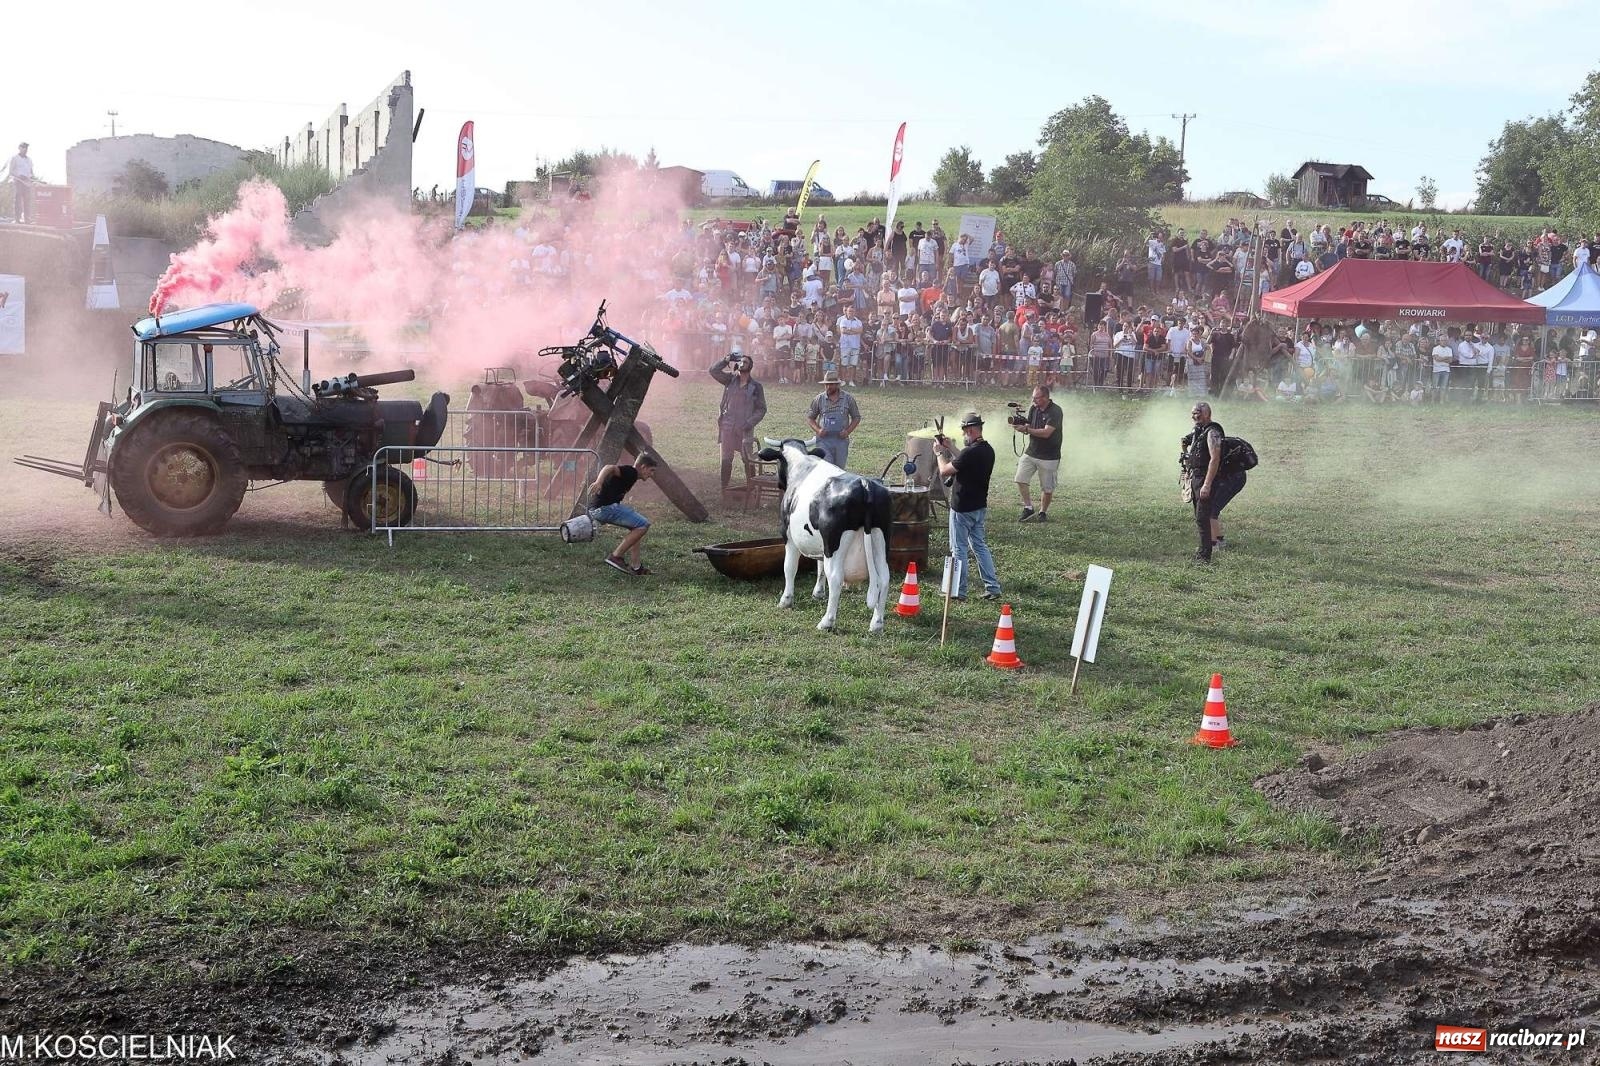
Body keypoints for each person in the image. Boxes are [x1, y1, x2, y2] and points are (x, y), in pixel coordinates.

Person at [934, 413, 1001, 601]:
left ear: (969, 430)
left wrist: (939, 453)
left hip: (962, 508)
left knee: (958, 549)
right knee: (980, 546)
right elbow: (964, 458)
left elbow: (944, 470)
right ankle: (992, 587)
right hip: (979, 507)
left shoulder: (969, 453)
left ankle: (958, 591)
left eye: (964, 432)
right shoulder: (987, 450)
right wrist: (950, 447)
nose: (963, 436)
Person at [1182, 403, 1245, 564]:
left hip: (1208, 479)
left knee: (1205, 516)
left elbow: (1215, 458)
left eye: (1197, 413)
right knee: (1200, 517)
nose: (1194, 416)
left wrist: (1207, 484)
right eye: (1193, 413)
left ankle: (1206, 554)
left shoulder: (1212, 432)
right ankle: (1205, 549)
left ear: (1207, 414)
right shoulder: (1199, 432)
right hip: (1198, 478)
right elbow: (1186, 442)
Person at [588, 453, 659, 576]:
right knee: (643, 524)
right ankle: (616, 557)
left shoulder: (632, 476)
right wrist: (599, 482)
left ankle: (636, 567)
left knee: (637, 528)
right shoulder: (631, 472)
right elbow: (609, 467)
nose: (652, 474)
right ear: (643, 467)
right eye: (651, 470)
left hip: (601, 509)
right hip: (604, 508)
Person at [709, 353, 767, 492]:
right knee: (726, 459)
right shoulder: (730, 379)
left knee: (748, 459)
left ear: (750, 366)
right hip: (727, 426)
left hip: (744, 428)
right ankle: (725, 488)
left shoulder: (756, 386)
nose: (742, 363)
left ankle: (752, 488)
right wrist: (726, 360)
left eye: (745, 362)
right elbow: (713, 371)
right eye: (740, 361)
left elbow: (761, 409)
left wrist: (749, 423)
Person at [1014, 383, 1063, 522]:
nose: (1033, 401)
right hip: (1032, 451)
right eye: (1033, 398)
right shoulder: (1033, 409)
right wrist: (1021, 425)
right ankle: (1028, 507)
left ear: (1046, 397)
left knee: (1047, 488)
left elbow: (1047, 433)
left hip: (1049, 456)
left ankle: (1043, 512)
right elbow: (1029, 425)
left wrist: (1026, 430)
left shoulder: (1055, 411)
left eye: (1036, 398)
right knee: (1020, 478)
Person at [807, 369, 861, 468]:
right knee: (827, 469)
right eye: (826, 384)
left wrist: (847, 432)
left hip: (841, 441)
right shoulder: (819, 399)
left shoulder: (848, 399)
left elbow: (856, 417)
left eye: (831, 384)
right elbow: (810, 418)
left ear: (837, 385)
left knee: (839, 470)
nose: (828, 387)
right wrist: (818, 430)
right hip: (823, 441)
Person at [3, 143, 34, 223]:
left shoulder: (29, 160)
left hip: (27, 182)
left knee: (27, 200)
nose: (25, 149)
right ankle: (17, 218)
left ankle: (27, 218)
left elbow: (31, 172)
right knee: (18, 199)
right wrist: (19, 176)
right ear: (19, 148)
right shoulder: (15, 158)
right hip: (18, 181)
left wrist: (30, 177)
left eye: (26, 148)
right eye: (23, 147)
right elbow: (11, 171)